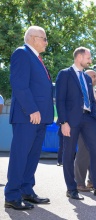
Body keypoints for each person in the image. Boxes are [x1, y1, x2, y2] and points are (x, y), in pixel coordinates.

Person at [55, 47, 96, 200]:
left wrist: (95, 118)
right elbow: (60, 100)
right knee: (69, 153)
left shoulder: (87, 79)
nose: (90, 61)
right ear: (80, 57)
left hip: (88, 119)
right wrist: (63, 122)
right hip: (71, 119)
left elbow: (92, 101)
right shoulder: (65, 74)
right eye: (88, 58)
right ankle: (71, 188)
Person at [4, 26, 54, 210]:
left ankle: (26, 190)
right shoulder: (22, 54)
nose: (46, 42)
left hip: (40, 117)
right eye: (45, 38)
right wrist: (32, 109)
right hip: (28, 116)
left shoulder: (37, 59)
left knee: (32, 156)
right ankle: (12, 195)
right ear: (34, 38)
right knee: (20, 155)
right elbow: (19, 85)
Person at [74, 69, 96, 192]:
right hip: (85, 129)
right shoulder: (81, 92)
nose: (95, 78)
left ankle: (92, 182)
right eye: (92, 76)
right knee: (83, 155)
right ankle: (79, 183)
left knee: (95, 156)